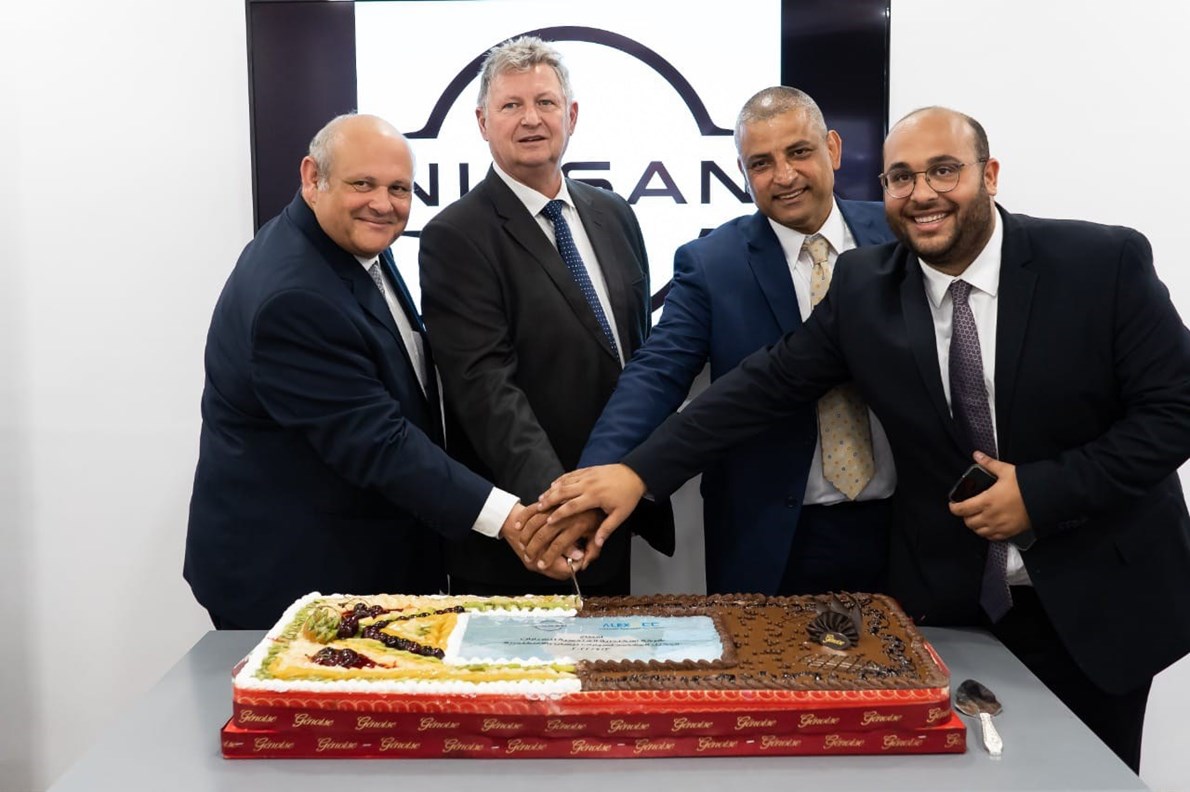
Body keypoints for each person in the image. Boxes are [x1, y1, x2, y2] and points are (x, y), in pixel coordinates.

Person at [530, 107, 1190, 772]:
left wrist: (1041, 493)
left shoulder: (1100, 263)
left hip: (1098, 599)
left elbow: (1175, 410)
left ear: (989, 174)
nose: (922, 193)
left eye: (943, 171)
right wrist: (636, 473)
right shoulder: (866, 285)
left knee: (1090, 776)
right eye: (901, 177)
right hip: (959, 607)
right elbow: (760, 387)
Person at [184, 114, 566, 630]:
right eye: (362, 184)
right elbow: (379, 443)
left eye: (399, 189)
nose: (383, 204)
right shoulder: (295, 297)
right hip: (292, 578)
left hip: (348, 557)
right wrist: (511, 520)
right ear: (312, 178)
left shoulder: (343, 245)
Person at [580, 86, 896, 596]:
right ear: (743, 173)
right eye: (761, 163)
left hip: (903, 529)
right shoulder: (712, 262)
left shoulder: (899, 235)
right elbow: (655, 374)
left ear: (833, 149)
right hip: (769, 537)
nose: (784, 176)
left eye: (799, 152)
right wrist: (594, 482)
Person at [418, 36, 672, 597]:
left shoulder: (616, 214)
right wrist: (561, 512)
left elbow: (639, 358)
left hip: (614, 515)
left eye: (545, 103)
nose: (531, 118)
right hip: (530, 535)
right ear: (483, 122)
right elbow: (487, 392)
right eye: (511, 105)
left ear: (571, 115)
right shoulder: (455, 236)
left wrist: (622, 483)